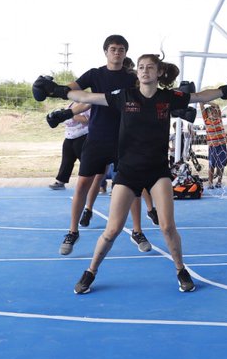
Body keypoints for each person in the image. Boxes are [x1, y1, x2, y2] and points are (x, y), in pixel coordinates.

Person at [34, 56, 227, 293]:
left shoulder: (168, 98)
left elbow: (200, 96)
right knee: (112, 230)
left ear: (158, 73)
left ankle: (181, 270)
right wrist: (56, 90)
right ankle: (90, 271)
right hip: (127, 173)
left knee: (167, 227)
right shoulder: (123, 96)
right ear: (136, 73)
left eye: (150, 67)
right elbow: (86, 97)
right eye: (141, 68)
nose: (144, 71)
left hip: (158, 172)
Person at [34, 36, 150, 255]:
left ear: (125, 53)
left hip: (124, 140)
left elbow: (147, 94)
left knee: (132, 187)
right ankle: (72, 231)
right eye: (113, 49)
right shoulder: (95, 74)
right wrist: (49, 89)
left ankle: (137, 230)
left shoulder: (131, 78)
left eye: (121, 50)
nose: (117, 53)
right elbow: (77, 91)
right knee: (82, 185)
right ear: (106, 51)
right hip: (97, 138)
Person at [47, 104, 91, 189]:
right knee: (66, 160)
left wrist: (70, 114)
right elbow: (65, 120)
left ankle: (94, 182)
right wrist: (55, 117)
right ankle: (61, 181)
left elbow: (86, 120)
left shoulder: (87, 104)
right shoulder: (70, 105)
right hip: (69, 136)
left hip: (83, 135)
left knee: (86, 161)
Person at [201, 101, 227, 189]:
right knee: (211, 165)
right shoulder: (206, 120)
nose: (214, 114)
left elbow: (217, 105)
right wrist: (203, 100)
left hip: (222, 146)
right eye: (211, 112)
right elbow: (201, 106)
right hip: (212, 147)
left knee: (221, 165)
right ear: (207, 114)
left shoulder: (219, 119)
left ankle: (219, 181)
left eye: (215, 112)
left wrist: (208, 102)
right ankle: (210, 182)